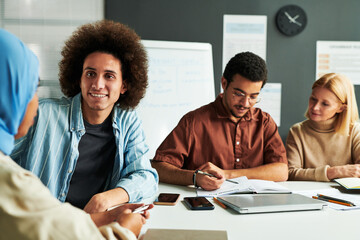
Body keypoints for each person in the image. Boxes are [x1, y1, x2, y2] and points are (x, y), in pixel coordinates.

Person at [0, 28, 153, 240]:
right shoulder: (43, 114)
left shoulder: (128, 120)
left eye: (109, 76)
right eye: (90, 74)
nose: (98, 84)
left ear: (124, 85)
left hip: (82, 226)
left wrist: (106, 200)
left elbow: (145, 175)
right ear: (78, 78)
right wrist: (123, 228)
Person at [151, 52, 288, 191]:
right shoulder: (194, 122)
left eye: (253, 97)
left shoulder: (264, 122)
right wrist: (194, 177)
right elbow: (159, 168)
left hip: (254, 206)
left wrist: (227, 174)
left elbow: (282, 171)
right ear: (224, 83)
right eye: (239, 94)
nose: (245, 103)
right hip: (207, 209)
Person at [286, 73, 360, 181]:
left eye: (325, 104)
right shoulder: (297, 131)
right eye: (313, 99)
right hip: (307, 195)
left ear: (341, 108)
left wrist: (312, 174)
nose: (315, 107)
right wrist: (333, 172)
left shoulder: (355, 131)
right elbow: (290, 173)